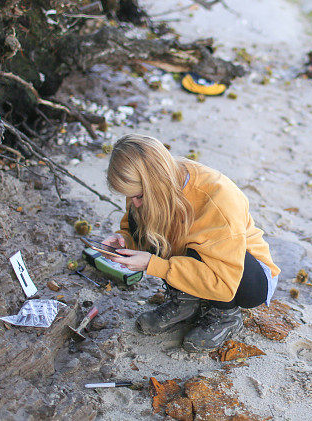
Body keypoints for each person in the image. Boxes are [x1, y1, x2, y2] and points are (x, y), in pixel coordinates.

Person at [100, 134, 280, 352]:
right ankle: (187, 301)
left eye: (138, 195)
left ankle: (225, 314)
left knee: (204, 259)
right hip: (190, 251)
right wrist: (125, 240)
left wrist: (153, 265)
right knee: (146, 218)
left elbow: (224, 284)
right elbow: (136, 224)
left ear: (155, 183)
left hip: (242, 276)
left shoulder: (217, 198)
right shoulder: (148, 183)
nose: (134, 202)